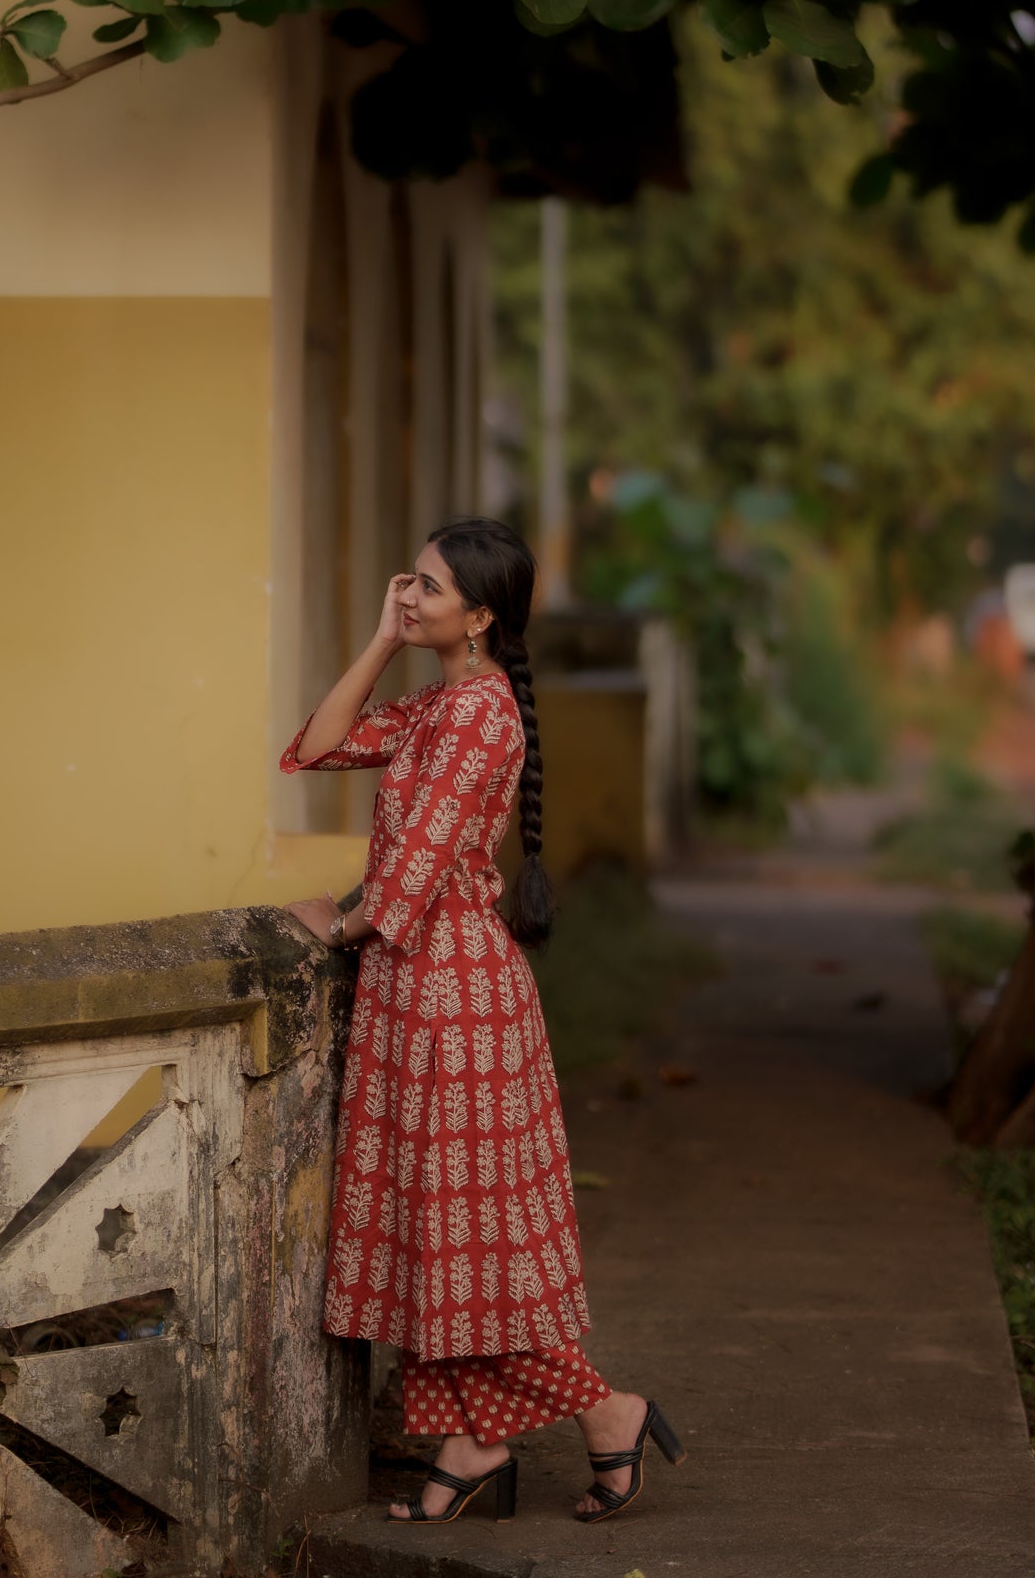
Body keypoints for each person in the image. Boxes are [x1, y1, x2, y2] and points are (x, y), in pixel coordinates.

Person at [282, 517, 684, 1526]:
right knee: (436, 1237)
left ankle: (608, 1411)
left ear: (481, 613)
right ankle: (473, 1442)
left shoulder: (479, 717)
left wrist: (337, 923)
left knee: (470, 1245)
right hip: (414, 992)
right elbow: (314, 746)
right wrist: (379, 639)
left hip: (455, 999)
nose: (407, 594)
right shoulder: (432, 706)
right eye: (405, 581)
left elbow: (413, 870)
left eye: (424, 587)